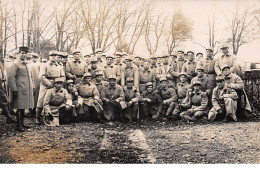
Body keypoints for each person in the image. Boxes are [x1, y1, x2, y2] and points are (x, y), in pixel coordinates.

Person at [36, 50, 65, 125]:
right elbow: (41, 76)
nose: (53, 57)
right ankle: (37, 118)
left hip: (56, 84)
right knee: (41, 100)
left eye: (55, 56)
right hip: (46, 84)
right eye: (52, 56)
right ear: (49, 57)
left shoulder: (59, 66)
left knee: (56, 99)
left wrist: (59, 82)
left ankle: (54, 116)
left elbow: (63, 76)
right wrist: (49, 84)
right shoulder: (45, 65)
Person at [8, 49, 34, 132]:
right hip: (19, 88)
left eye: (26, 53)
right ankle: (18, 125)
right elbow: (11, 77)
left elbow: (30, 77)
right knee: (19, 107)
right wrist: (14, 89)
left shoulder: (27, 64)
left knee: (23, 107)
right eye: (22, 53)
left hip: (26, 89)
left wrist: (32, 86)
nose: (24, 55)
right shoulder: (15, 64)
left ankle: (22, 123)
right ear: (19, 53)